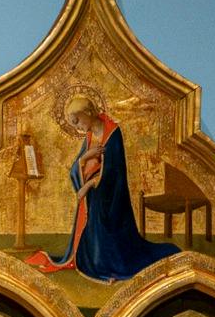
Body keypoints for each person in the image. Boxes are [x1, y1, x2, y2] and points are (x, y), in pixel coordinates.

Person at [25, 89, 180, 283]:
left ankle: (109, 264)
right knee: (90, 251)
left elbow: (115, 171)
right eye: (73, 121)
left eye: (77, 120)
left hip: (111, 198)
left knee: (104, 257)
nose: (76, 125)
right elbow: (76, 166)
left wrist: (89, 185)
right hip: (93, 197)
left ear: (89, 113)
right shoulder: (89, 138)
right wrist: (85, 158)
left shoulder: (113, 133)